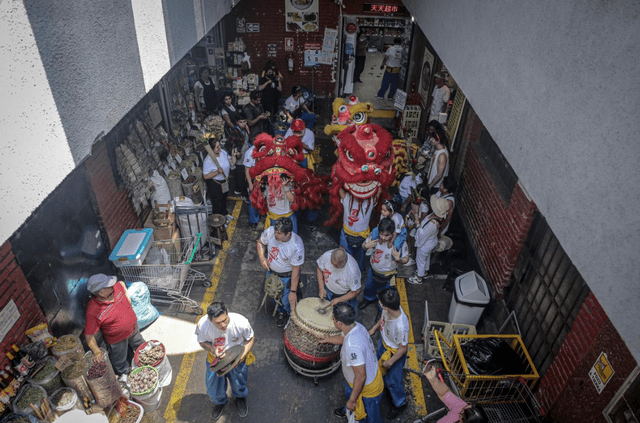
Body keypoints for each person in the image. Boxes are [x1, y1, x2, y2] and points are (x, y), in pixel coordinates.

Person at [321, 303, 383, 423]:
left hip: (368, 390)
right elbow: (344, 338)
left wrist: (353, 400)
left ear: (339, 323)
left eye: (333, 318)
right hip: (357, 381)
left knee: (371, 417)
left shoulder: (352, 347)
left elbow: (361, 376)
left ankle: (352, 407)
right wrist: (329, 340)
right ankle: (347, 409)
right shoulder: (356, 326)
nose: (332, 320)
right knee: (350, 394)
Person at [195, 301, 254, 420]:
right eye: (218, 323)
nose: (223, 325)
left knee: (238, 384)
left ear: (227, 313)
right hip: (215, 360)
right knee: (213, 387)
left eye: (225, 320)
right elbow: (202, 342)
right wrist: (212, 350)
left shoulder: (241, 322)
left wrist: (242, 356)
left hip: (237, 359)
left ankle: (240, 398)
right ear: (210, 320)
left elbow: (250, 338)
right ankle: (220, 402)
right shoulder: (203, 325)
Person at [84, 274, 145, 379]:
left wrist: (126, 296)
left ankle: (147, 362)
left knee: (142, 347)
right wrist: (97, 351)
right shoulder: (93, 310)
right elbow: (89, 335)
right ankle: (126, 375)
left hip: (133, 329)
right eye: (108, 286)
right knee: (119, 360)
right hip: (117, 340)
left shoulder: (116, 286)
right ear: (100, 292)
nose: (112, 285)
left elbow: (121, 283)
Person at [368, 287, 409, 420]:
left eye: (380, 301)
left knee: (393, 381)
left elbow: (403, 348)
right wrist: (374, 329)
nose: (379, 302)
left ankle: (400, 403)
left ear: (385, 305)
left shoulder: (401, 326)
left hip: (393, 352)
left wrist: (391, 362)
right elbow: (383, 320)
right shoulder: (387, 310)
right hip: (383, 344)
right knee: (378, 368)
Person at [256, 217, 304, 327]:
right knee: (273, 293)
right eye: (275, 232)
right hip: (272, 273)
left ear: (288, 234)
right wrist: (262, 258)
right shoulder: (270, 232)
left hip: (287, 276)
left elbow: (296, 270)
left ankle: (290, 315)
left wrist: (293, 291)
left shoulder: (296, 245)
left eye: (279, 233)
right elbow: (260, 243)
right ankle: (281, 311)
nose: (276, 235)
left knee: (287, 300)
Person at [359, 218, 409, 310]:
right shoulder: (374, 237)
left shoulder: (400, 243)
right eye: (381, 234)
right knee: (369, 287)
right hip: (373, 271)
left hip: (389, 275)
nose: (383, 237)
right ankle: (368, 299)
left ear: (393, 234)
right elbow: (363, 245)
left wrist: (399, 259)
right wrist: (366, 246)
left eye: (386, 235)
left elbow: (406, 259)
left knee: (387, 295)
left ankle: (382, 309)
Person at [422, 362, 488, 423]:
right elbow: (445, 393)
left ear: (461, 419)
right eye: (468, 405)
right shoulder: (462, 407)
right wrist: (433, 379)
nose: (462, 408)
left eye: (462, 413)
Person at [285, 118, 319, 231]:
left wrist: (300, 143)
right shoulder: (290, 131)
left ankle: (311, 220)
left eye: (299, 133)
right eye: (294, 132)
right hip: (292, 159)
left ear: (304, 130)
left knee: (310, 190)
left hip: (305, 160)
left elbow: (310, 149)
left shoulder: (310, 133)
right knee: (294, 189)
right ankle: (295, 215)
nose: (296, 134)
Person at [408, 195, 450, 285]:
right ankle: (425, 272)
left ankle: (419, 278)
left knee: (420, 261)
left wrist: (418, 225)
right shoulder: (436, 218)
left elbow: (423, 235)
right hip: (431, 242)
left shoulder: (432, 223)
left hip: (426, 244)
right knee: (426, 259)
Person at [338, 186, 380, 274]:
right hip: (346, 235)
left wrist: (379, 182)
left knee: (360, 259)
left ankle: (358, 273)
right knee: (344, 257)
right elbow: (339, 188)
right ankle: (346, 272)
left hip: (362, 237)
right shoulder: (348, 198)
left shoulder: (370, 201)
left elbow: (378, 193)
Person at [316, 247, 361, 313]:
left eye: (337, 265)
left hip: (344, 294)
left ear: (344, 261)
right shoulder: (326, 256)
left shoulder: (352, 271)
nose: (334, 266)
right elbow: (319, 269)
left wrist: (340, 299)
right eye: (332, 263)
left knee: (345, 317)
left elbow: (356, 291)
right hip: (328, 289)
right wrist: (321, 288)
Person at [203, 137, 237, 221]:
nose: (219, 148)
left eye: (219, 146)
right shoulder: (208, 160)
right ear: (211, 149)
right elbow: (205, 176)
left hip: (224, 181)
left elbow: (231, 161)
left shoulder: (223, 152)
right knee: (217, 203)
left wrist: (233, 155)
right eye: (216, 147)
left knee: (224, 199)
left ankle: (225, 214)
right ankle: (218, 221)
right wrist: (217, 172)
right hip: (215, 184)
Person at [226, 111, 251, 201]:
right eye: (241, 122)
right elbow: (228, 145)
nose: (243, 124)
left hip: (245, 155)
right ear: (237, 122)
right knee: (242, 177)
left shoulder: (244, 129)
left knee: (239, 175)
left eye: (244, 121)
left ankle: (237, 189)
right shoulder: (235, 132)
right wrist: (235, 152)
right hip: (240, 158)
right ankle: (244, 195)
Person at [244, 143, 261, 230]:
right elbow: (247, 170)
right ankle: (253, 222)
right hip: (253, 179)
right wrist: (250, 184)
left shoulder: (266, 149)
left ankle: (259, 215)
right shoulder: (249, 153)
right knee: (253, 200)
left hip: (262, 178)